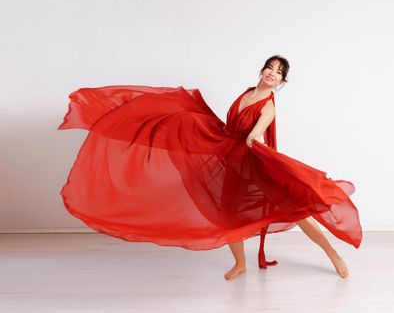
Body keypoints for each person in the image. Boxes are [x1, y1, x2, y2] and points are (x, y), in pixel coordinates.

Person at [58, 55, 362, 282]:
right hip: (232, 160)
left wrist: (254, 142)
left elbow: (256, 135)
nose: (272, 74)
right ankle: (240, 264)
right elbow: (231, 126)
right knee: (228, 216)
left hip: (254, 163)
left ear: (282, 82)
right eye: (270, 68)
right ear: (262, 70)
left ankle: (332, 254)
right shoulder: (246, 93)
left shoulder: (268, 105)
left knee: (301, 212)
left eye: (279, 73)